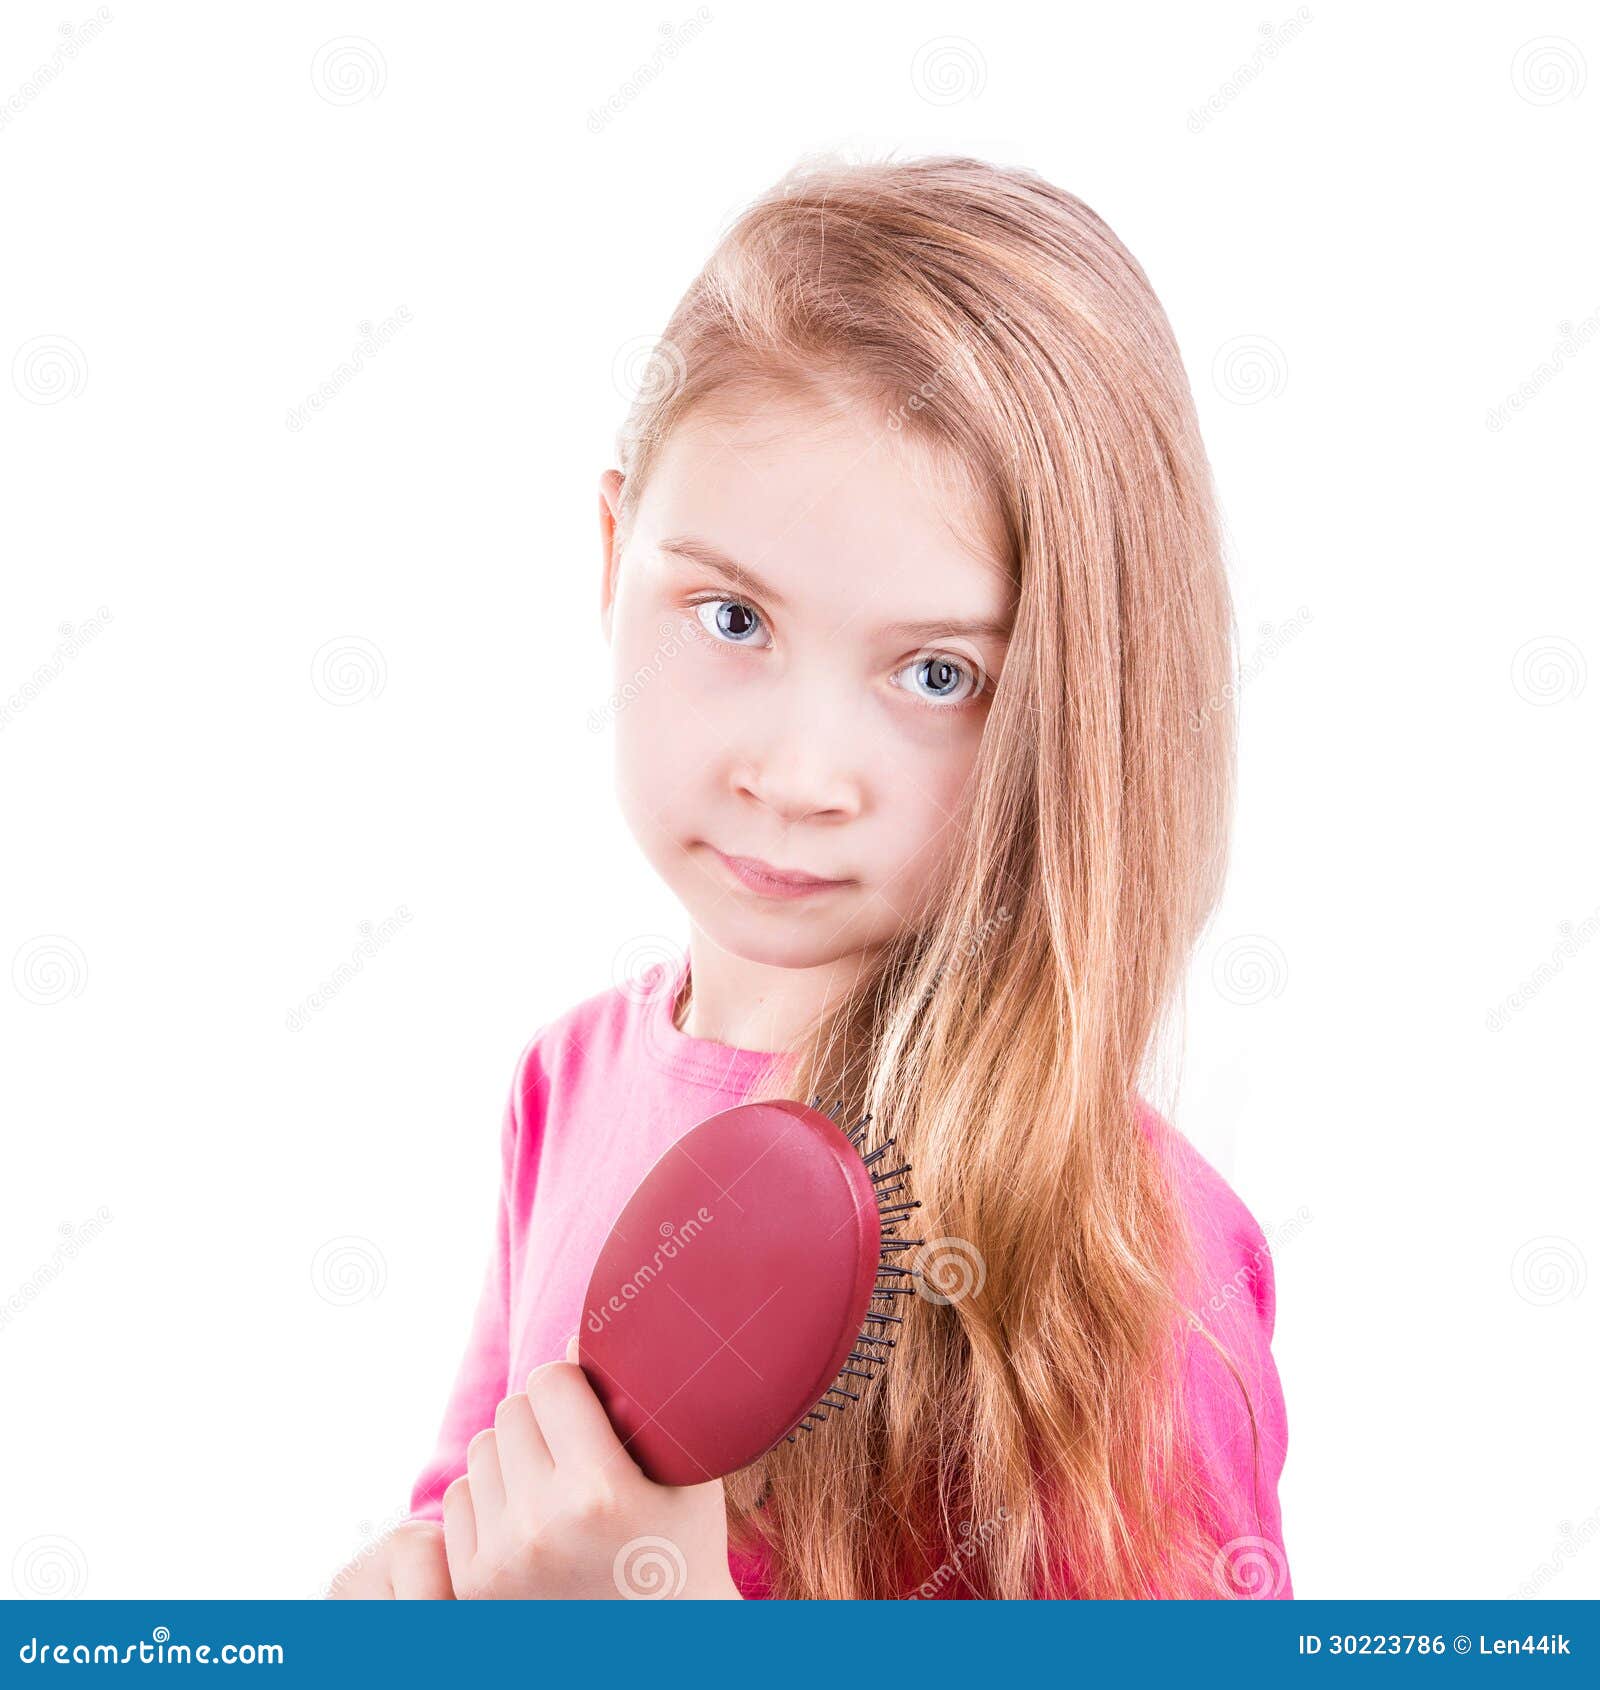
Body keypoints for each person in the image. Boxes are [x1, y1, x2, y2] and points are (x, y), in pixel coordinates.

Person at [331, 151, 1291, 1600]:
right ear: (612, 558)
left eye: (935, 672)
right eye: (731, 616)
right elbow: (463, 1527)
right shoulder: (564, 1086)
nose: (797, 772)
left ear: (1075, 701)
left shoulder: (1124, 1246)